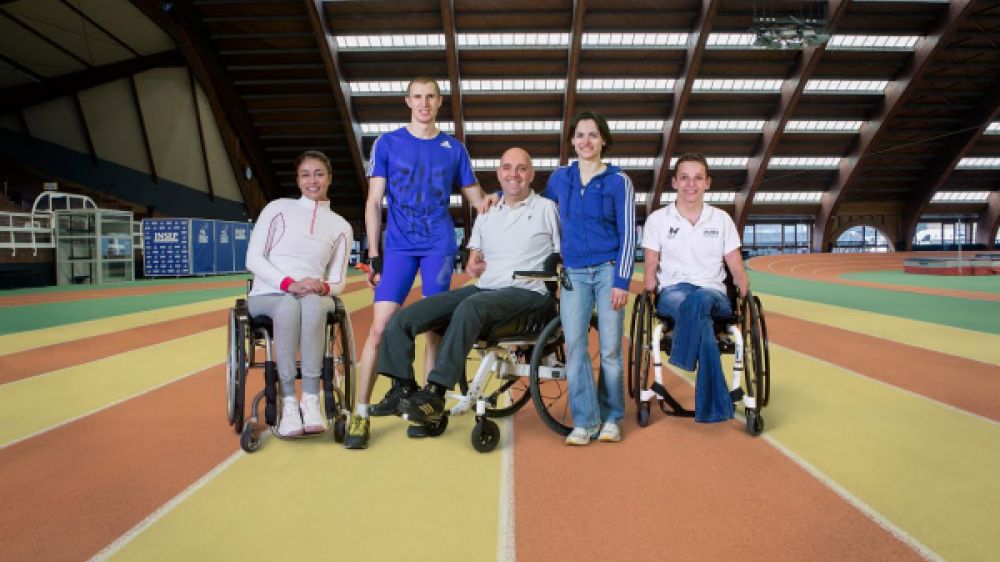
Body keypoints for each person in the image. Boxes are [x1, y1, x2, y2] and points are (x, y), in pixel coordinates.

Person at [346, 76, 490, 449]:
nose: (424, 103)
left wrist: (514, 203)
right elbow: (373, 202)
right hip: (397, 247)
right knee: (379, 328)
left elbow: (479, 200)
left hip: (439, 245)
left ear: (440, 102)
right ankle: (359, 413)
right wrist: (373, 254)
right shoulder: (388, 143)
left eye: (430, 97)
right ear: (407, 101)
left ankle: (428, 406)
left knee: (434, 329)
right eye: (418, 97)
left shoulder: (453, 148)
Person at [371, 148, 560, 430]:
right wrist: (473, 262)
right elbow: (474, 260)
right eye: (507, 167)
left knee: (470, 307)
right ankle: (402, 387)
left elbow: (564, 255)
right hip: (486, 288)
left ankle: (434, 393)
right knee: (403, 319)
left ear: (532, 175)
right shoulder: (487, 211)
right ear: (498, 174)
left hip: (528, 293)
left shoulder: (547, 209)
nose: (514, 174)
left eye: (521, 168)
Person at [245, 150, 354, 437]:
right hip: (270, 293)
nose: (312, 180)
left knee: (312, 306)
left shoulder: (341, 226)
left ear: (329, 178)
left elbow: (339, 279)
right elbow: (253, 259)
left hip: (313, 296)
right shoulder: (277, 208)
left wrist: (323, 287)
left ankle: (311, 399)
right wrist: (288, 284)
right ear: (297, 179)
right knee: (289, 306)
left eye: (319, 174)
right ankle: (289, 402)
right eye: (305, 174)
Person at [544, 110, 635, 446]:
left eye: (593, 135)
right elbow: (539, 210)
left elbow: (628, 234)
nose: (586, 141)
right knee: (577, 346)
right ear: (571, 140)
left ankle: (612, 418)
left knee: (610, 349)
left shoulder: (618, 181)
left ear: (604, 140)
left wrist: (622, 281)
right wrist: (499, 196)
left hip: (609, 269)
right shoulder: (560, 179)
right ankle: (585, 420)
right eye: (580, 135)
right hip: (574, 273)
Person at [641, 153, 749, 423]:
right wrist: (649, 284)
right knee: (698, 314)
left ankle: (683, 356)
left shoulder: (721, 219)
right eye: (685, 178)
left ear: (707, 183)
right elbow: (651, 263)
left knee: (701, 298)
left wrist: (744, 288)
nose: (691, 184)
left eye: (698, 178)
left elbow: (734, 263)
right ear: (674, 182)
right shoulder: (658, 219)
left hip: (713, 293)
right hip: (674, 291)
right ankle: (715, 405)